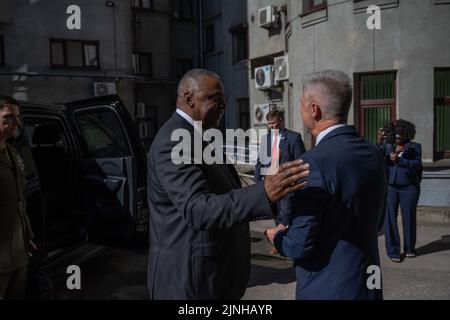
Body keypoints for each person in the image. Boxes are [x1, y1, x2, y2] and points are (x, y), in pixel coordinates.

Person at [146, 69, 310, 300]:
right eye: (215, 99)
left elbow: (226, 194)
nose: (223, 106)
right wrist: (263, 192)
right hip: (189, 284)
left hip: (212, 279)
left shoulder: (202, 136)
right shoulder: (173, 141)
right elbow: (198, 209)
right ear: (188, 97)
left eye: (224, 101)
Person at [265, 70, 387, 300]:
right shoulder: (373, 153)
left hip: (328, 288)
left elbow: (299, 246)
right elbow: (378, 222)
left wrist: (278, 236)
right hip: (368, 284)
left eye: (301, 103)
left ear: (314, 109)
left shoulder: (312, 163)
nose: (299, 109)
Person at [0, 95, 35, 299]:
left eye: (18, 117)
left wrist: (26, 235)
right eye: (9, 117)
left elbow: (19, 200)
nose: (17, 123)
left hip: (18, 252)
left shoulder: (12, 152)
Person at [254, 108, 306, 228]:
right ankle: (279, 242)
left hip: (287, 187)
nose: (271, 126)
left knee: (286, 217)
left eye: (273, 123)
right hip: (269, 186)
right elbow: (259, 162)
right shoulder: (265, 139)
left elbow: (300, 163)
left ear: (281, 121)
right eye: (269, 123)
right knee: (275, 215)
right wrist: (257, 182)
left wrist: (296, 184)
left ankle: (286, 243)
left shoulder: (294, 138)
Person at [384, 121, 422, 263]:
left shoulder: (415, 147)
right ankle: (393, 250)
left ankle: (409, 248)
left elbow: (417, 164)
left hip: (409, 188)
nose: (397, 136)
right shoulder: (388, 146)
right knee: (390, 219)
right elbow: (381, 160)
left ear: (407, 134)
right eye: (395, 133)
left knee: (409, 218)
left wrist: (401, 161)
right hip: (391, 187)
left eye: (400, 133)